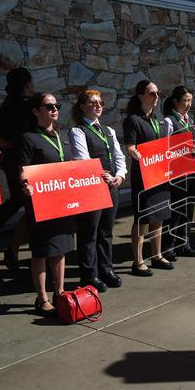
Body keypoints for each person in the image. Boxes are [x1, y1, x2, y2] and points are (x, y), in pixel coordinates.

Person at [19, 93, 77, 316]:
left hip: (62, 200)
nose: (54, 109)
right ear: (36, 111)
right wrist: (25, 184)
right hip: (41, 202)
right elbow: (22, 169)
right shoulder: (29, 138)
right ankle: (41, 298)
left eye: (57, 106)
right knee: (41, 250)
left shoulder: (61, 135)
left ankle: (60, 292)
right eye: (49, 106)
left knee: (60, 248)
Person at [69, 89, 125, 292]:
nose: (98, 106)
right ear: (82, 106)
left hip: (111, 186)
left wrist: (120, 175)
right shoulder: (78, 131)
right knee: (89, 233)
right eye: (93, 103)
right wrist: (103, 175)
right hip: (91, 187)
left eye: (100, 102)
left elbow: (119, 156)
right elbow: (83, 159)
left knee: (106, 231)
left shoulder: (108, 130)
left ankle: (106, 270)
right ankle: (89, 275)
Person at [0, 67, 33, 270]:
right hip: (29, 163)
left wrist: (13, 147)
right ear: (27, 84)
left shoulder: (8, 103)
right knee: (33, 207)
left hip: (11, 161)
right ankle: (15, 248)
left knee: (19, 200)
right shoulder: (29, 105)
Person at [123, 80, 172, 275]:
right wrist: (139, 155)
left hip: (159, 174)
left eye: (158, 93)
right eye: (152, 93)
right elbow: (130, 147)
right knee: (142, 218)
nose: (156, 97)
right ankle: (138, 261)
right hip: (143, 175)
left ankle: (157, 255)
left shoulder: (156, 119)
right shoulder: (132, 120)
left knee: (158, 216)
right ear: (140, 96)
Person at [163, 86, 195, 259]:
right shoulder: (169, 121)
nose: (188, 104)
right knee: (176, 209)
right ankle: (168, 246)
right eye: (185, 100)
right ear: (175, 101)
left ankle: (184, 243)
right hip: (177, 171)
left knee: (188, 207)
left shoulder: (189, 119)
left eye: (190, 101)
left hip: (191, 168)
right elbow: (165, 147)